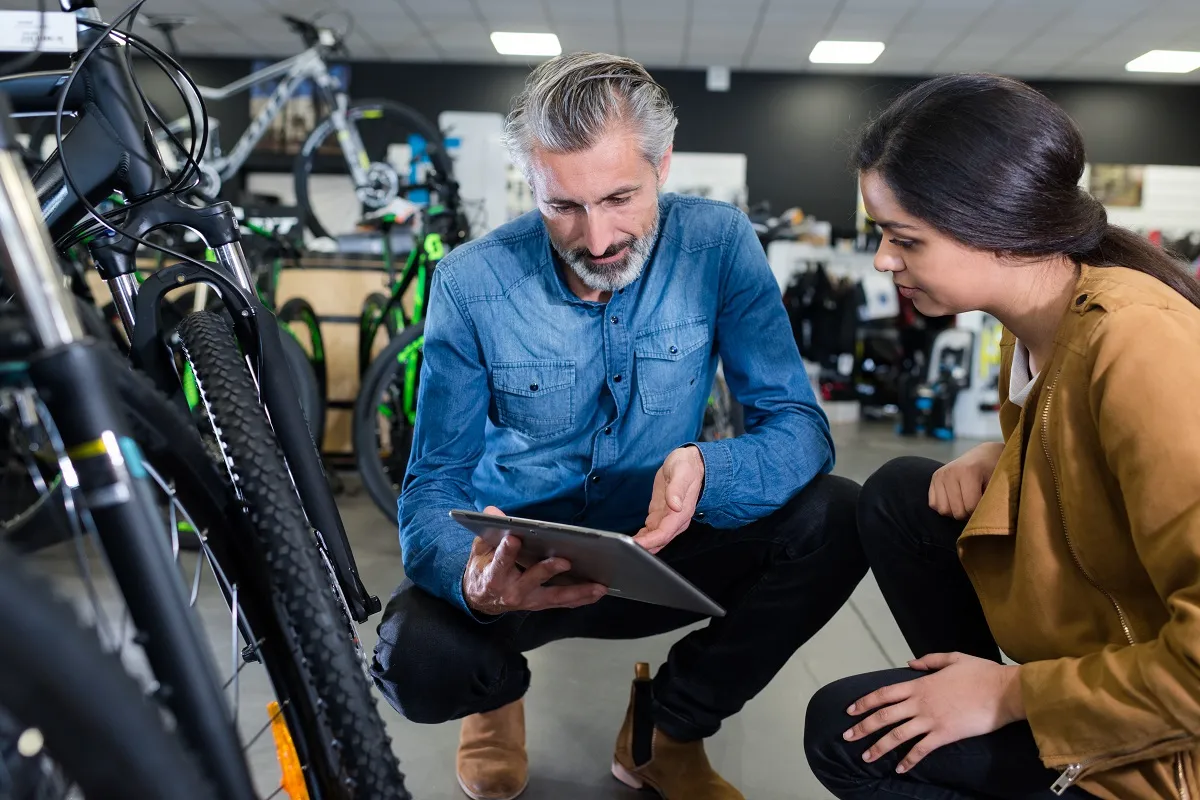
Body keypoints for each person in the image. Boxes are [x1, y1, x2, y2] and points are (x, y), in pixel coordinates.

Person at [370, 52, 867, 800]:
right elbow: (432, 484)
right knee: (412, 659)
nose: (596, 238)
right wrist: (474, 583)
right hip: (522, 564)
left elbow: (799, 426)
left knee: (839, 517)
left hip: (662, 553)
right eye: (562, 206)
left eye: (619, 197)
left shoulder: (719, 245)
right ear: (531, 185)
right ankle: (493, 701)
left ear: (663, 163)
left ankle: (663, 732)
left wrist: (711, 469)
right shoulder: (472, 283)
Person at [803, 73, 1200, 800]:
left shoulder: (1141, 344)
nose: (886, 261)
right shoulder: (1045, 329)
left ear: (1000, 228)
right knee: (900, 495)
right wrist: (1015, 455)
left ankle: (1000, 730)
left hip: (1173, 743)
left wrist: (1014, 698)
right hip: (1112, 660)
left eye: (905, 239)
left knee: (846, 733)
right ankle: (960, 703)